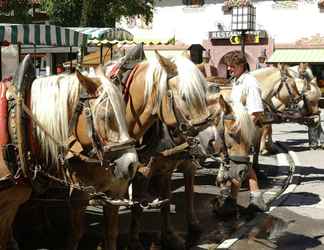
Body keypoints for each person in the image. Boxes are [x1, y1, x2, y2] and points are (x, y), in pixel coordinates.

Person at [219, 50, 267, 215]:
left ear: (241, 65)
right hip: (236, 129)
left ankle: (232, 201)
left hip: (243, 131)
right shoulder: (238, 81)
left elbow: (255, 112)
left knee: (239, 164)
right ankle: (254, 198)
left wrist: (242, 132)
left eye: (232, 66)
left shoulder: (250, 82)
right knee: (242, 165)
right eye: (229, 67)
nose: (230, 69)